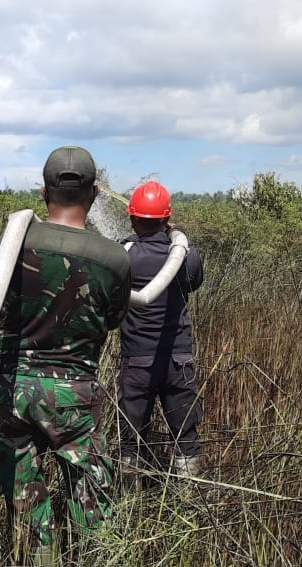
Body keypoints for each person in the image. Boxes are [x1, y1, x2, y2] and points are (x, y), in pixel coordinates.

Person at [0, 146, 131, 567]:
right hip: (75, 395)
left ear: (45, 190)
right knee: (92, 492)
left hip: (14, 391)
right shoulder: (114, 259)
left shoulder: (15, 242)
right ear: (93, 194)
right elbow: (112, 319)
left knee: (25, 497)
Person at [116, 180, 205, 478]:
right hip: (178, 361)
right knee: (186, 439)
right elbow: (194, 282)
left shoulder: (123, 255)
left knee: (131, 438)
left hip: (137, 362)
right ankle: (188, 498)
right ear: (167, 218)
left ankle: (130, 504)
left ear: (132, 217)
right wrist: (175, 235)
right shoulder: (186, 256)